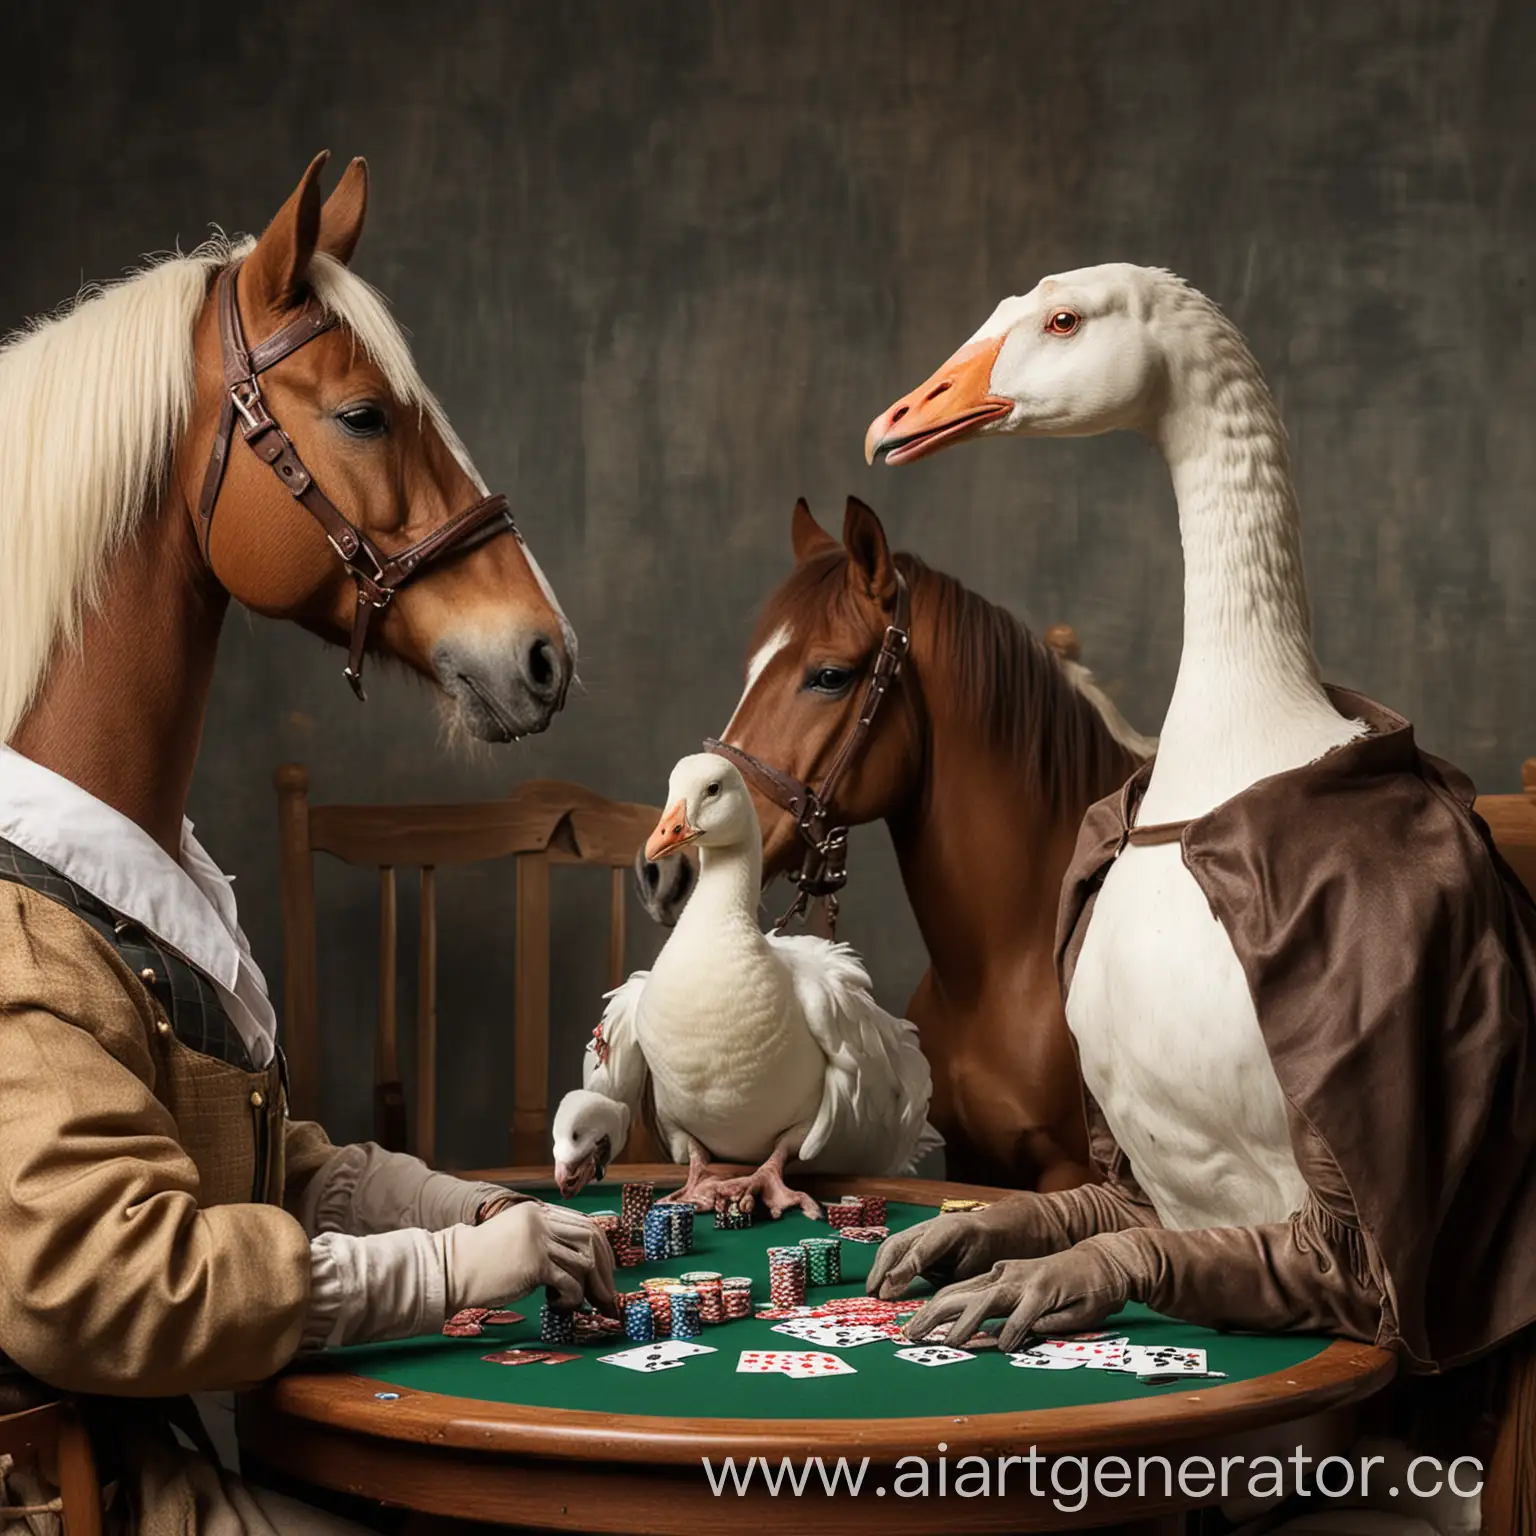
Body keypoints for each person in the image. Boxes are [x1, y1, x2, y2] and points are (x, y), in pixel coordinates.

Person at [0, 743, 616, 1536]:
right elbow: (115, 1282)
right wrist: (447, 1267)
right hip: (63, 1496)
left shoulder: (131, 865)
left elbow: (246, 1163)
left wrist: (465, 1208)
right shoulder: (22, 926)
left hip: (139, 1457)